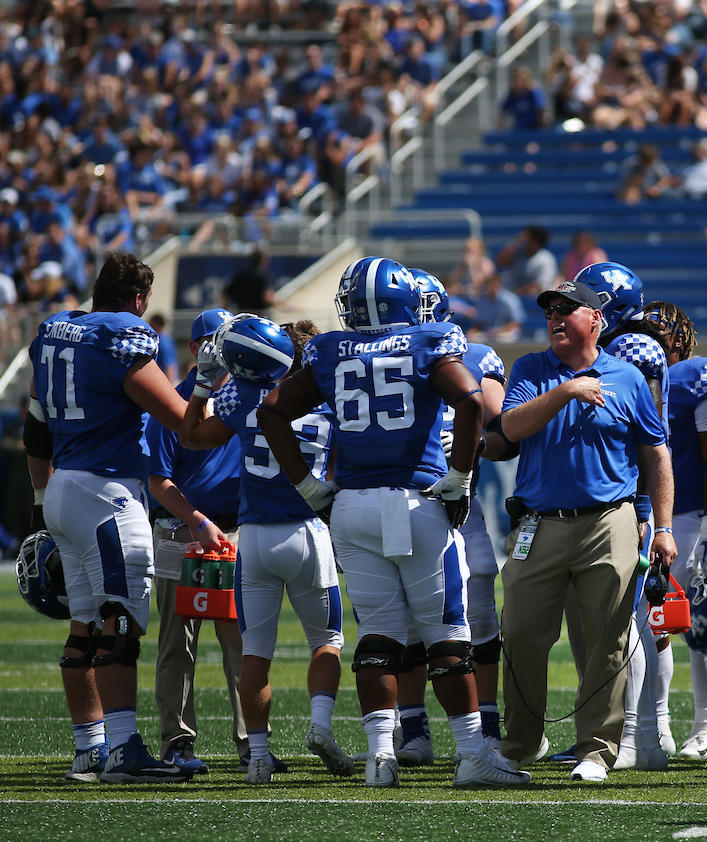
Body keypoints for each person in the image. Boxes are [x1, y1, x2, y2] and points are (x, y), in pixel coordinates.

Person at [257, 257, 526, 788]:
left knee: (378, 635)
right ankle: (472, 755)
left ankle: (382, 756)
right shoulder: (430, 341)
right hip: (415, 501)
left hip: (352, 507)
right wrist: (460, 477)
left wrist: (310, 487)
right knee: (447, 636)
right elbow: (471, 404)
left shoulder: (331, 348)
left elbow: (271, 411)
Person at [497, 279, 676, 783]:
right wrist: (568, 390)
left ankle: (596, 750)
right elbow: (511, 428)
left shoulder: (628, 377)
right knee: (521, 632)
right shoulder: (532, 369)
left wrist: (662, 526)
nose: (554, 317)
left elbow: (656, 455)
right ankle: (521, 742)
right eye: (550, 310)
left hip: (609, 519)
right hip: (539, 521)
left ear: (595, 320)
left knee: (606, 640)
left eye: (566, 309)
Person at [26, 252, 192, 783]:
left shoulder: (55, 331)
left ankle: (90, 748)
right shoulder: (124, 336)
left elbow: (36, 427)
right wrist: (212, 388)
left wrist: (39, 501)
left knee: (84, 624)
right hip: (107, 492)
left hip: (61, 488)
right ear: (138, 300)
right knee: (119, 623)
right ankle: (123, 748)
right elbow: (182, 421)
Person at [178, 316, 353, 784]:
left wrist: (201, 382)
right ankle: (319, 726)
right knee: (327, 642)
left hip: (254, 537)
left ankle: (257, 754)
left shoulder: (242, 396)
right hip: (307, 532)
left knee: (256, 652)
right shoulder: (331, 397)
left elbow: (191, 435)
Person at [388, 269, 513, 764]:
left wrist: (473, 437)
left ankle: (486, 723)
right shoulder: (382, 354)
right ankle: (414, 728)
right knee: (408, 622)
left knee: (479, 609)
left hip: (462, 504)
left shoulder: (477, 355)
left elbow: (501, 424)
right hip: (402, 498)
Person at [573, 262, 672, 771]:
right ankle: (646, 736)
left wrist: (641, 508)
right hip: (626, 498)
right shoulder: (628, 348)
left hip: (628, 501)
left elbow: (640, 441)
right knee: (630, 622)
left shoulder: (633, 349)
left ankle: (637, 735)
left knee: (631, 622)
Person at [145, 308, 248, 776]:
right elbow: (158, 481)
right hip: (181, 531)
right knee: (176, 643)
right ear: (196, 348)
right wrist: (200, 521)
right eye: (218, 342)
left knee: (242, 641)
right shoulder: (173, 402)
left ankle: (252, 741)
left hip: (234, 531)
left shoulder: (246, 400)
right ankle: (176, 741)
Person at [644, 300, 707, 761]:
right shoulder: (626, 372)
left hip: (691, 512)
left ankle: (706, 727)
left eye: (655, 329)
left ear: (679, 337)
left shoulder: (699, 374)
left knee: (700, 622)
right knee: (652, 625)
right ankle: (656, 726)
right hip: (649, 514)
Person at [495, 226, 556, 297]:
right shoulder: (518, 253)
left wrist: (514, 294)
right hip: (514, 298)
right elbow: (500, 262)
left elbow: (539, 285)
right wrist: (517, 241)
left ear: (537, 242)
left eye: (530, 240)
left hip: (533, 300)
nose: (527, 242)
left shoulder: (545, 258)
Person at [470, 273, 525, 343]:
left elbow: (516, 322)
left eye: (493, 283)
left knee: (502, 339)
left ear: (498, 284)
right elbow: (479, 323)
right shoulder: (483, 300)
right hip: (488, 333)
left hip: (505, 332)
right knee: (472, 339)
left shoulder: (509, 299)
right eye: (489, 284)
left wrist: (499, 331)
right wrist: (472, 331)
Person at [147, 314, 180, 383]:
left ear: (157, 324)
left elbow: (169, 366)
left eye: (151, 323)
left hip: (167, 381)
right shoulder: (165, 338)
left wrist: (170, 386)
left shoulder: (163, 343)